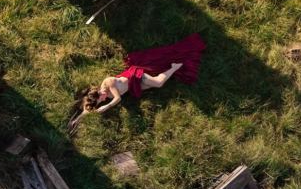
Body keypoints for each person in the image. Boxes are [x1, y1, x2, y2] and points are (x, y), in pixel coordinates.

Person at [68, 33, 206, 132]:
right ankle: (170, 70)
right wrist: (77, 119)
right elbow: (89, 108)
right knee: (155, 84)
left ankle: (174, 67)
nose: (103, 99)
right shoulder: (99, 97)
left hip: (134, 77)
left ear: (99, 91)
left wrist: (107, 106)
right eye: (102, 99)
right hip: (133, 87)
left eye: (102, 96)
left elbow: (117, 98)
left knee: (158, 83)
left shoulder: (108, 83)